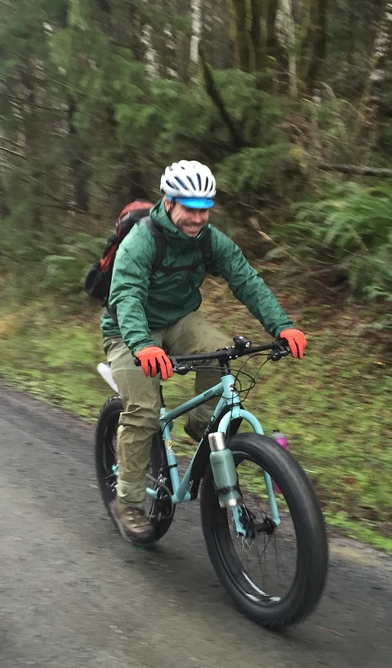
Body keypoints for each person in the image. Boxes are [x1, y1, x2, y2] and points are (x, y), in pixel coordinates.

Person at [100, 159, 307, 545]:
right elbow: (126, 295)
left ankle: (201, 424)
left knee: (218, 348)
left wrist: (282, 324)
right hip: (127, 329)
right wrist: (143, 345)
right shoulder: (141, 241)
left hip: (178, 320)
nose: (198, 217)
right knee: (144, 411)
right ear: (169, 201)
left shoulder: (210, 239)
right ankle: (127, 501)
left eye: (205, 208)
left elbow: (245, 278)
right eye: (190, 208)